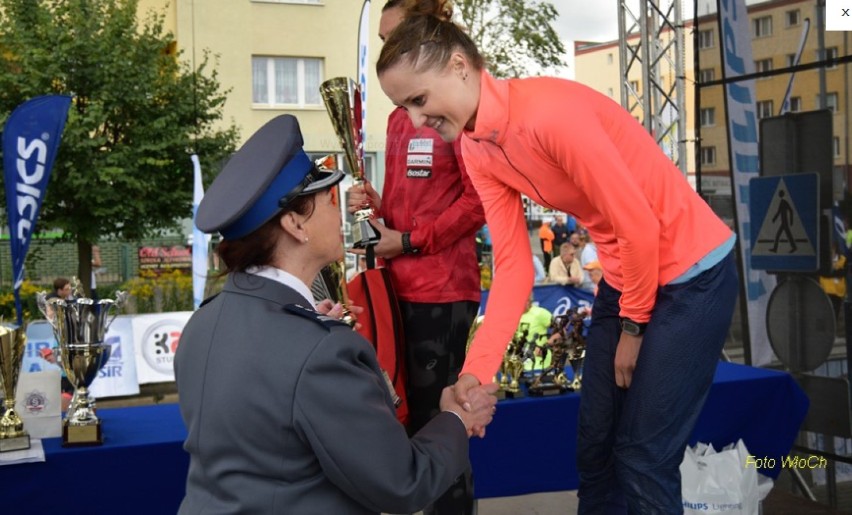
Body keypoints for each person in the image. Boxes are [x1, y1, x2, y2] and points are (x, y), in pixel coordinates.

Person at [377, 15, 739, 514]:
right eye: (404, 107)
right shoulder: (476, 147)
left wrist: (633, 326)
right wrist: (476, 373)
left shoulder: (549, 114)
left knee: (640, 459)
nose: (416, 122)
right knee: (593, 453)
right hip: (627, 271)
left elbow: (636, 224)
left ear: (459, 66)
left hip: (691, 273)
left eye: (419, 100)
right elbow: (513, 267)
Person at [174, 114, 497, 515]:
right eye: (327, 197)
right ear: (295, 224)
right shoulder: (321, 351)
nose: (338, 209)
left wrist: (311, 326)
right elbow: (403, 483)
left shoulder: (203, 323)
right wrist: (455, 420)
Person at [347, 2, 487, 513]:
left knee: (441, 423)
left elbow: (478, 201)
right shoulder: (397, 117)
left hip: (443, 290)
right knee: (402, 417)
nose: (387, 47)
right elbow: (410, 206)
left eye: (395, 35)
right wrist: (378, 208)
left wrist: (408, 242)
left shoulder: (458, 105)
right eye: (381, 39)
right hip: (395, 288)